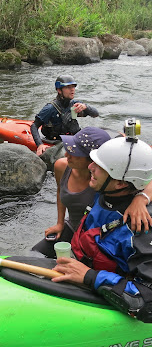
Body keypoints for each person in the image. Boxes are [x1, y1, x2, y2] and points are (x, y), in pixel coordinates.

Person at [52, 133, 152, 322]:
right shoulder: (106, 188)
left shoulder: (141, 226)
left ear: (121, 182)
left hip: (100, 289)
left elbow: (148, 301)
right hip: (80, 266)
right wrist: (143, 195)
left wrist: (90, 277)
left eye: (98, 166)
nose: (90, 166)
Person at [32, 127, 152, 257]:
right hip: (74, 227)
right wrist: (60, 223)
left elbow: (142, 177)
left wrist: (141, 198)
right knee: (35, 254)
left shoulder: (105, 180)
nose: (66, 154)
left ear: (92, 159)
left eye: (74, 152)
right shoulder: (62, 166)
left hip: (97, 235)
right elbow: (60, 192)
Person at [30, 75, 99, 156]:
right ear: (59, 90)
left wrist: (86, 107)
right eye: (68, 87)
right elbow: (34, 126)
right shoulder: (50, 108)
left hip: (73, 137)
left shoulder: (75, 104)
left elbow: (95, 114)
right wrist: (40, 145)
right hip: (57, 141)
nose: (72, 89)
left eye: (73, 86)